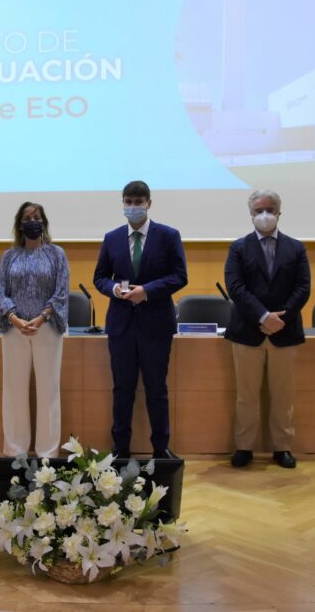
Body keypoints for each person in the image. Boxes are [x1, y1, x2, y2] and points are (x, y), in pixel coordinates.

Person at [93, 180, 187, 459]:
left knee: (156, 389)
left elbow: (180, 276)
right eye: (128, 202)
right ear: (123, 203)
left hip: (156, 324)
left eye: (138, 202)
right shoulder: (111, 238)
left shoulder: (168, 236)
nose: (133, 207)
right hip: (122, 325)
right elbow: (99, 277)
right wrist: (113, 290)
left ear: (149, 203)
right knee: (123, 389)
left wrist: (146, 291)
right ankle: (121, 448)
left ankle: (161, 448)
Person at [223, 190, 311, 469]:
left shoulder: (296, 248)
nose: (265, 215)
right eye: (259, 210)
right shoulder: (238, 248)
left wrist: (279, 317)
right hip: (248, 332)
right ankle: (244, 447)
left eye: (270, 209)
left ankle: (282, 447)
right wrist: (262, 316)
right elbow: (235, 287)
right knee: (246, 395)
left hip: (285, 332)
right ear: (251, 214)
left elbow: (303, 287)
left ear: (279, 213)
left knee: (283, 395)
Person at [0, 202, 69, 459]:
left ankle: (47, 452)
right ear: (19, 224)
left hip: (46, 329)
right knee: (14, 389)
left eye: (36, 217)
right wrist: (15, 319)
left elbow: (60, 294)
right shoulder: (9, 256)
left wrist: (41, 317)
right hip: (14, 330)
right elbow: (2, 293)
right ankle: (16, 450)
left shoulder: (56, 254)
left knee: (49, 389)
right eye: (27, 218)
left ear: (44, 222)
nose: (32, 221)